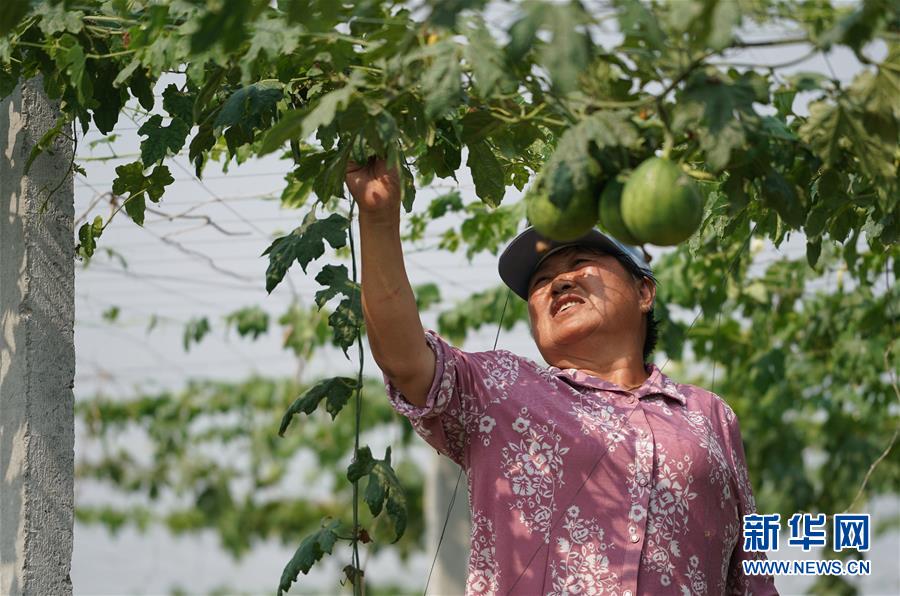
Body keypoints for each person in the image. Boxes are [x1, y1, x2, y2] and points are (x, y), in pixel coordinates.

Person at [345, 157, 778, 595]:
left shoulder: (709, 414)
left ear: (644, 290)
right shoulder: (499, 389)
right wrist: (378, 219)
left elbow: (751, 577)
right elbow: (405, 360)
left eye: (581, 260)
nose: (558, 281)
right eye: (542, 279)